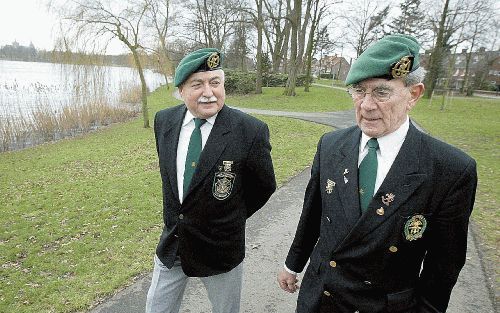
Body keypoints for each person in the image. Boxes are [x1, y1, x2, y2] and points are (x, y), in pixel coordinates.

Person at [277, 34, 477, 313]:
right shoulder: (330, 145)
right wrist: (293, 264)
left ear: (413, 95)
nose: (366, 105)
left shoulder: (450, 170)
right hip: (321, 296)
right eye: (359, 91)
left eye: (381, 92)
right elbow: (313, 214)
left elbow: (443, 266)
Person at [147, 48, 276, 313]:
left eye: (215, 83)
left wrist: (228, 215)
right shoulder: (165, 122)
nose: (209, 92)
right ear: (181, 91)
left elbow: (264, 186)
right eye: (198, 84)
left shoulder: (250, 131)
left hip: (220, 249)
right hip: (174, 243)